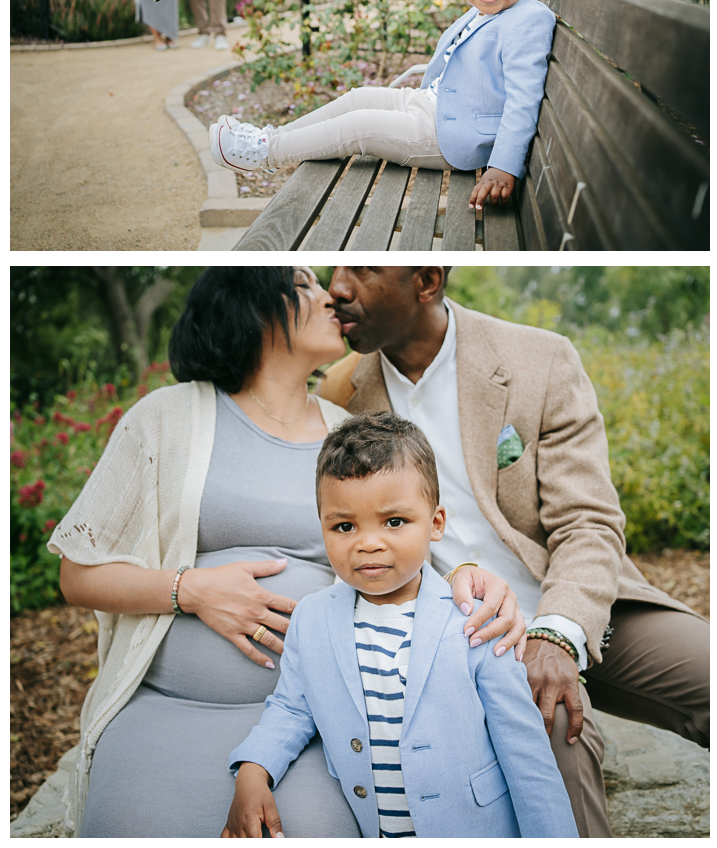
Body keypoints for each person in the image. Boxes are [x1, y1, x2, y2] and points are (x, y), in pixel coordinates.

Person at [46, 267, 524, 838]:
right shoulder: (166, 418)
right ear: (247, 307)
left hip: (319, 720)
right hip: (167, 708)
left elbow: (407, 541)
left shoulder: (348, 433)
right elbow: (77, 573)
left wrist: (472, 575)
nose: (332, 296)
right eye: (304, 286)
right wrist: (190, 590)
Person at [319, 266, 710, 839]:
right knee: (551, 720)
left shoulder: (539, 359)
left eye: (364, 270)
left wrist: (556, 632)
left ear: (426, 281)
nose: (338, 286)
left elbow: (589, 520)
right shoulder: (340, 394)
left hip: (582, 605)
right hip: (467, 636)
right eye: (335, 268)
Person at [224, 413, 578, 839]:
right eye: (344, 526)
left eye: (394, 522)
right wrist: (253, 771)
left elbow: (526, 756)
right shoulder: (313, 619)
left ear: (435, 524)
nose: (368, 542)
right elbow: (291, 708)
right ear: (322, 528)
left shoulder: (476, 619)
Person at [207, 0, 556, 212]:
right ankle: (270, 137)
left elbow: (523, 101)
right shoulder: (492, 7)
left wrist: (504, 165)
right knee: (358, 97)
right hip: (435, 105)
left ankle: (266, 153)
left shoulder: (528, 19)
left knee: (361, 127)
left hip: (453, 133)